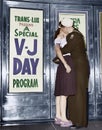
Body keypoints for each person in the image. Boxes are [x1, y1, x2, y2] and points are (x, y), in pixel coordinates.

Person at [54, 18, 90, 128]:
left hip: (79, 68)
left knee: (78, 93)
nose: (62, 30)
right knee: (72, 93)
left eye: (62, 28)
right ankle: (73, 119)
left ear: (67, 27)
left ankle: (79, 122)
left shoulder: (75, 35)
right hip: (76, 66)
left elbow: (65, 49)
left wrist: (57, 57)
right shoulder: (72, 35)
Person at [53, 19, 76, 127]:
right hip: (66, 63)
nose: (67, 29)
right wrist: (66, 64)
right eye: (65, 27)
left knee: (60, 92)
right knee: (64, 93)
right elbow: (57, 52)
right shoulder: (60, 38)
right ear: (61, 27)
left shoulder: (62, 37)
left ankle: (58, 116)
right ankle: (63, 118)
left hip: (63, 65)